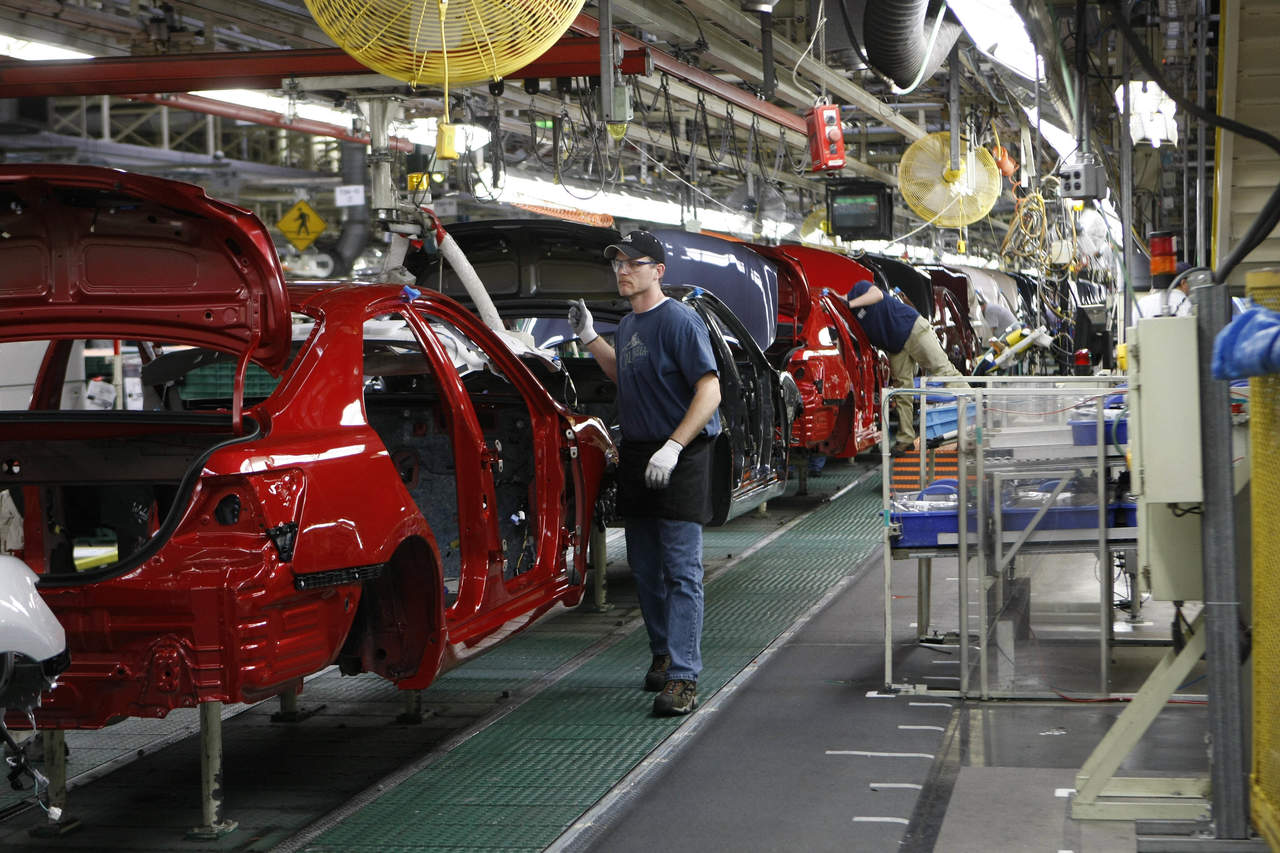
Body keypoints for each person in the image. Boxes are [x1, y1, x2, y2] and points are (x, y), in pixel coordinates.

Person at [567, 230, 721, 716]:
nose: (623, 271)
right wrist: (589, 337)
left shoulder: (679, 320)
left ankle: (684, 678)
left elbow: (710, 390)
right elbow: (626, 374)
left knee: (681, 570)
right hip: (637, 453)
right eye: (618, 263)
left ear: (658, 271)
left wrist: (674, 447)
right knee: (645, 567)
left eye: (633, 263)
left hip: (680, 452)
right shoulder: (629, 324)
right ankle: (663, 653)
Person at [843, 279, 967, 455]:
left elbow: (877, 295)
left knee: (943, 370)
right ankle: (905, 439)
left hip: (912, 328)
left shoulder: (859, 288)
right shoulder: (852, 321)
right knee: (902, 390)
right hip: (896, 346)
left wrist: (849, 304)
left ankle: (976, 413)